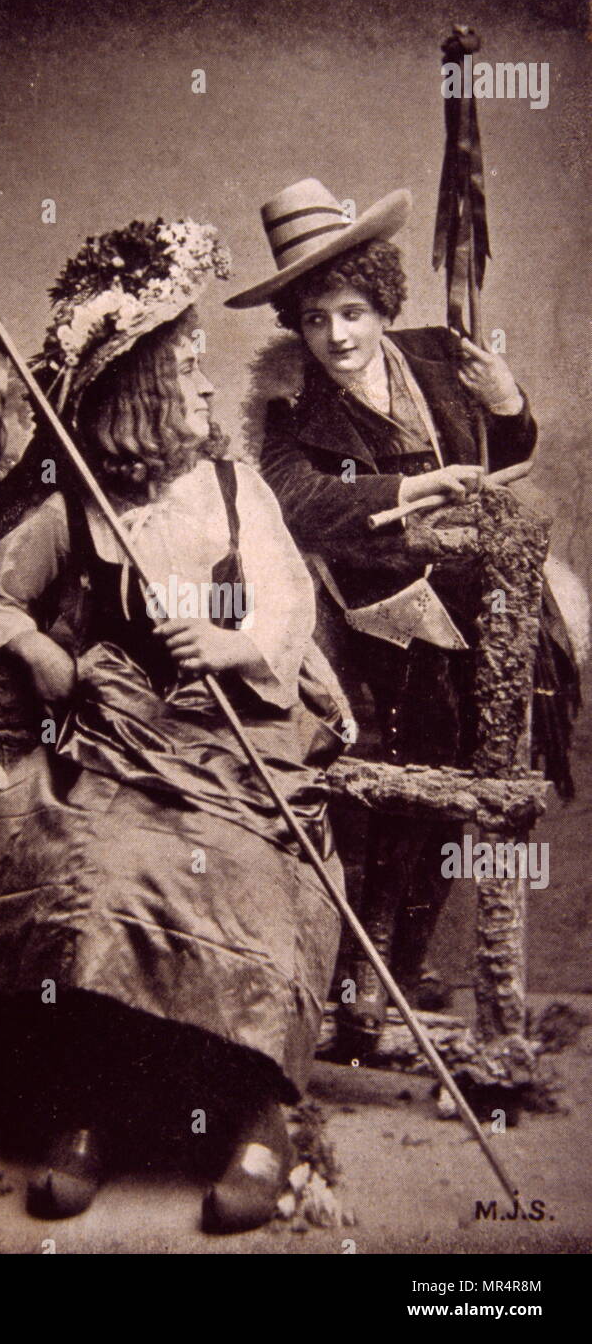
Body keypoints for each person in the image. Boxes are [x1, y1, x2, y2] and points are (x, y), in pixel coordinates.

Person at [0, 218, 348, 1233]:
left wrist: (236, 645)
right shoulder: (74, 504)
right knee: (97, 857)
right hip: (120, 729)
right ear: (141, 393)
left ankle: (260, 1115)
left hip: (237, 729)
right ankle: (95, 1109)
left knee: (243, 868)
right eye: (189, 370)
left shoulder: (232, 486)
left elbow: (292, 610)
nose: (209, 388)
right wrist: (41, 652)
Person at [225, 178, 539, 1040]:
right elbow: (296, 499)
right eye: (317, 317)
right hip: (369, 605)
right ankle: (353, 973)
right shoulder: (289, 399)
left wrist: (507, 404)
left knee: (470, 770)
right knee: (388, 774)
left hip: (472, 599)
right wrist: (407, 490)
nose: (337, 336)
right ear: (295, 321)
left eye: (354, 311)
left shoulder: (440, 353)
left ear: (383, 301)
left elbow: (505, 457)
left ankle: (408, 956)